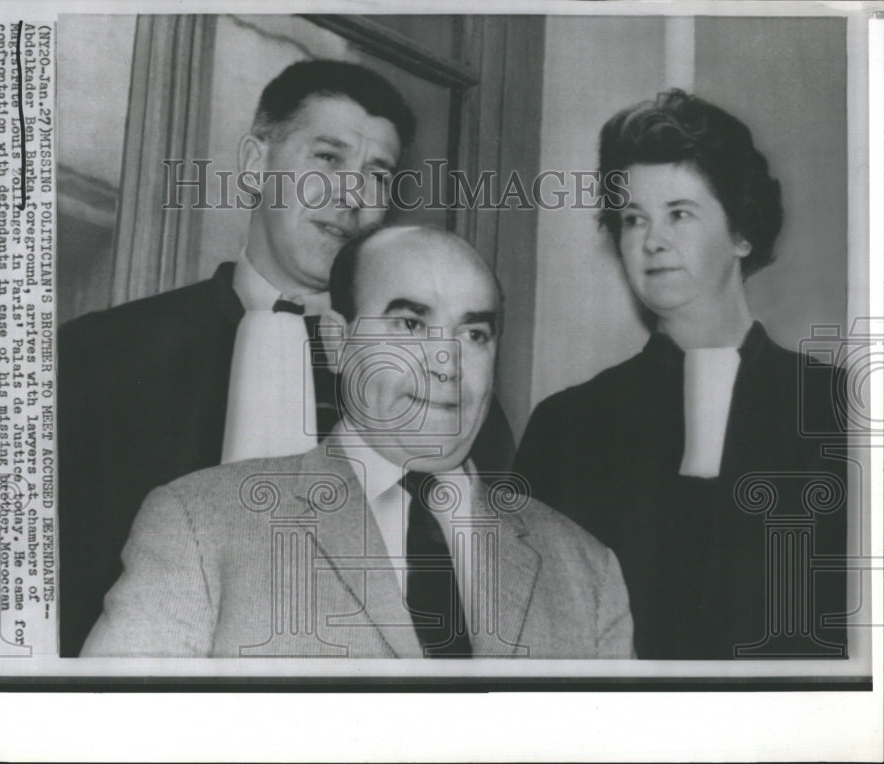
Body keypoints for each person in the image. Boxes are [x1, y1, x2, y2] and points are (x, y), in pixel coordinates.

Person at [57, 61, 516, 657]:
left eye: (378, 174)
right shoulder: (105, 355)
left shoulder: (450, 395)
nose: (353, 195)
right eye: (327, 159)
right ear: (255, 164)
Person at [81, 226, 634, 659]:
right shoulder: (198, 526)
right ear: (339, 343)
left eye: (474, 333)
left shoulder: (586, 571)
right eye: (410, 326)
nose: (447, 365)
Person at [514, 89, 848, 659]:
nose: (653, 240)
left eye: (680, 213)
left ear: (742, 233)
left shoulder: (836, 411)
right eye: (632, 219)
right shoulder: (566, 425)